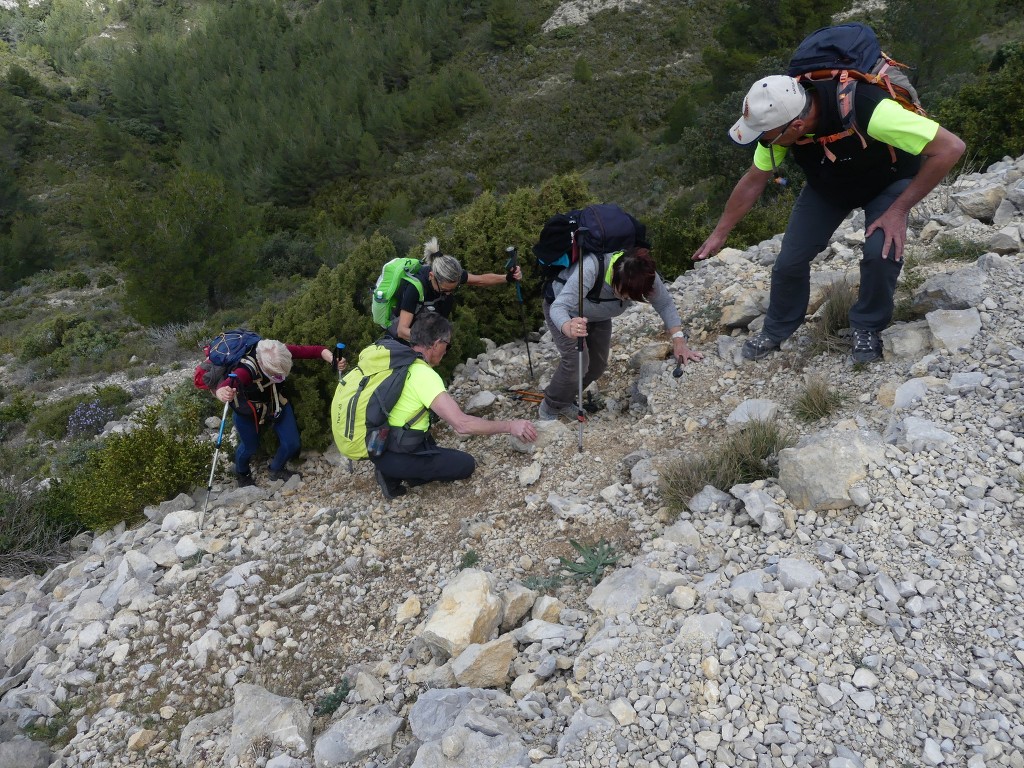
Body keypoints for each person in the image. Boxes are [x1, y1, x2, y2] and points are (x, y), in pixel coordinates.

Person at [693, 74, 965, 363]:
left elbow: (950, 148)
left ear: (796, 125)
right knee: (789, 262)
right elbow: (753, 180)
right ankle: (777, 328)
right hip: (829, 187)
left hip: (889, 183)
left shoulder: (870, 110)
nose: (762, 142)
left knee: (880, 253)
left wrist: (898, 210)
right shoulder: (781, 129)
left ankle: (868, 325)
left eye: (763, 136)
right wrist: (720, 233)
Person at [370, 311, 537, 499]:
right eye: (447, 346)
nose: (446, 351)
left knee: (428, 454)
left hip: (379, 443)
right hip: (393, 453)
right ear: (436, 345)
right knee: (465, 465)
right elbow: (462, 424)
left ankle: (401, 469)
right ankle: (391, 473)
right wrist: (510, 426)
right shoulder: (422, 374)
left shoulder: (398, 362)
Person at [541, 246, 702, 420]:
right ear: (615, 278)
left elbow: (664, 304)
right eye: (624, 295)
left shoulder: (645, 275)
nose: (626, 299)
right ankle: (550, 408)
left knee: (597, 366)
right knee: (576, 362)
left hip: (599, 316)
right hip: (568, 315)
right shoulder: (591, 269)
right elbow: (559, 306)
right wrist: (567, 326)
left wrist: (679, 341)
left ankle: (565, 399)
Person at [215, 339, 344, 486]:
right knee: (250, 446)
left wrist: (333, 359)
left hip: (275, 402)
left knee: (292, 443)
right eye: (276, 374)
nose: (280, 377)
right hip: (248, 410)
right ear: (262, 365)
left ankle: (276, 469)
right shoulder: (245, 370)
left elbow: (316, 350)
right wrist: (222, 393)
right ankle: (242, 472)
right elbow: (224, 387)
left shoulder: (280, 351)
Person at [387, 237, 523, 342]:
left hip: (430, 328)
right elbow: (402, 330)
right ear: (431, 276)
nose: (449, 293)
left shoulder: (452, 275)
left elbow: (480, 280)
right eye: (445, 290)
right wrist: (428, 339)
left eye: (454, 288)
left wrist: (507, 278)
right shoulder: (415, 289)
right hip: (408, 339)